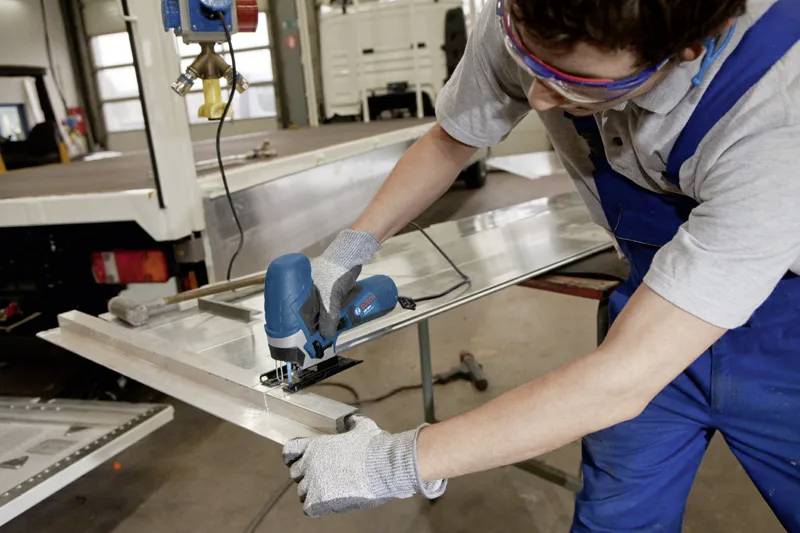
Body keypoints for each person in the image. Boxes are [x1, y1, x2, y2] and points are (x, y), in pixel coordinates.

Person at [282, 0, 800, 529]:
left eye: (577, 83)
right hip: (648, 302)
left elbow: (624, 379)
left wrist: (393, 463)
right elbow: (455, 137)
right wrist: (349, 250)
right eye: (528, 62)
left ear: (684, 53)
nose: (536, 96)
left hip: (786, 335)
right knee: (616, 519)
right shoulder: (534, 13)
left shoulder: (779, 113)